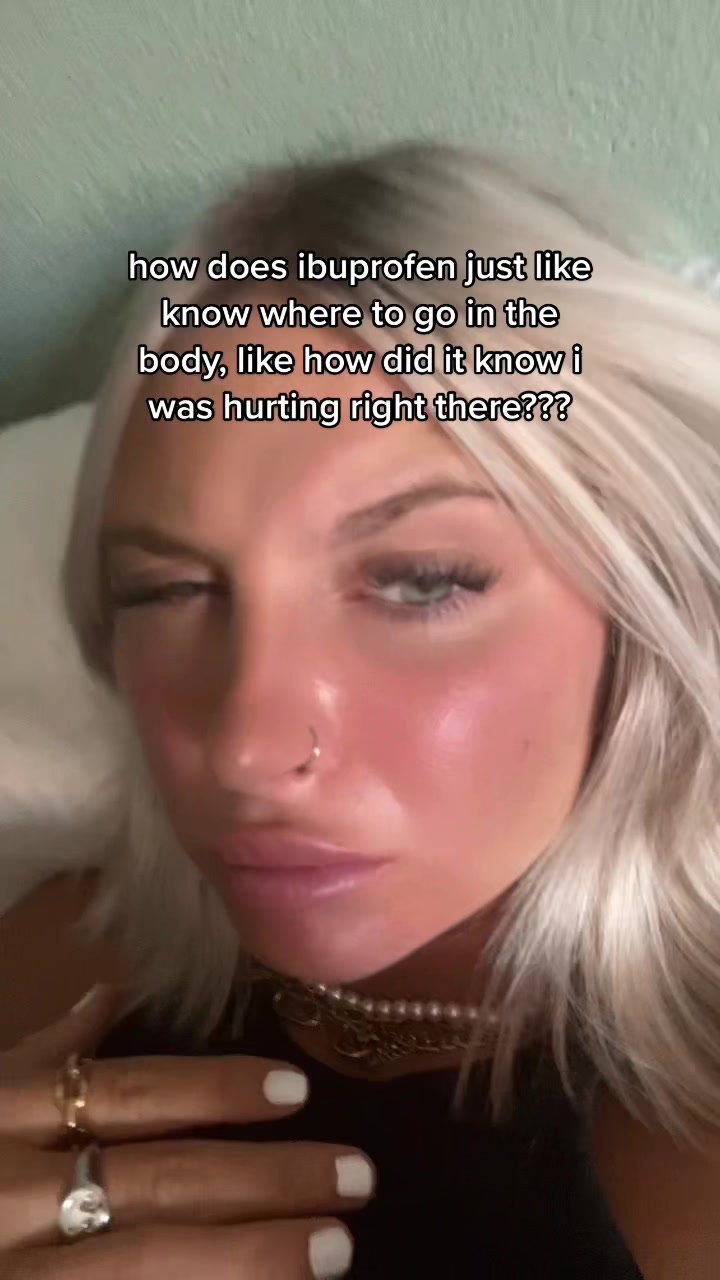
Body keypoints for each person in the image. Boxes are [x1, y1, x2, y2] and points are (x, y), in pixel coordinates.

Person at [1, 141, 719, 1278]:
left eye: (421, 581)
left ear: (650, 600)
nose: (245, 750)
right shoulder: (49, 980)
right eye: (168, 590)